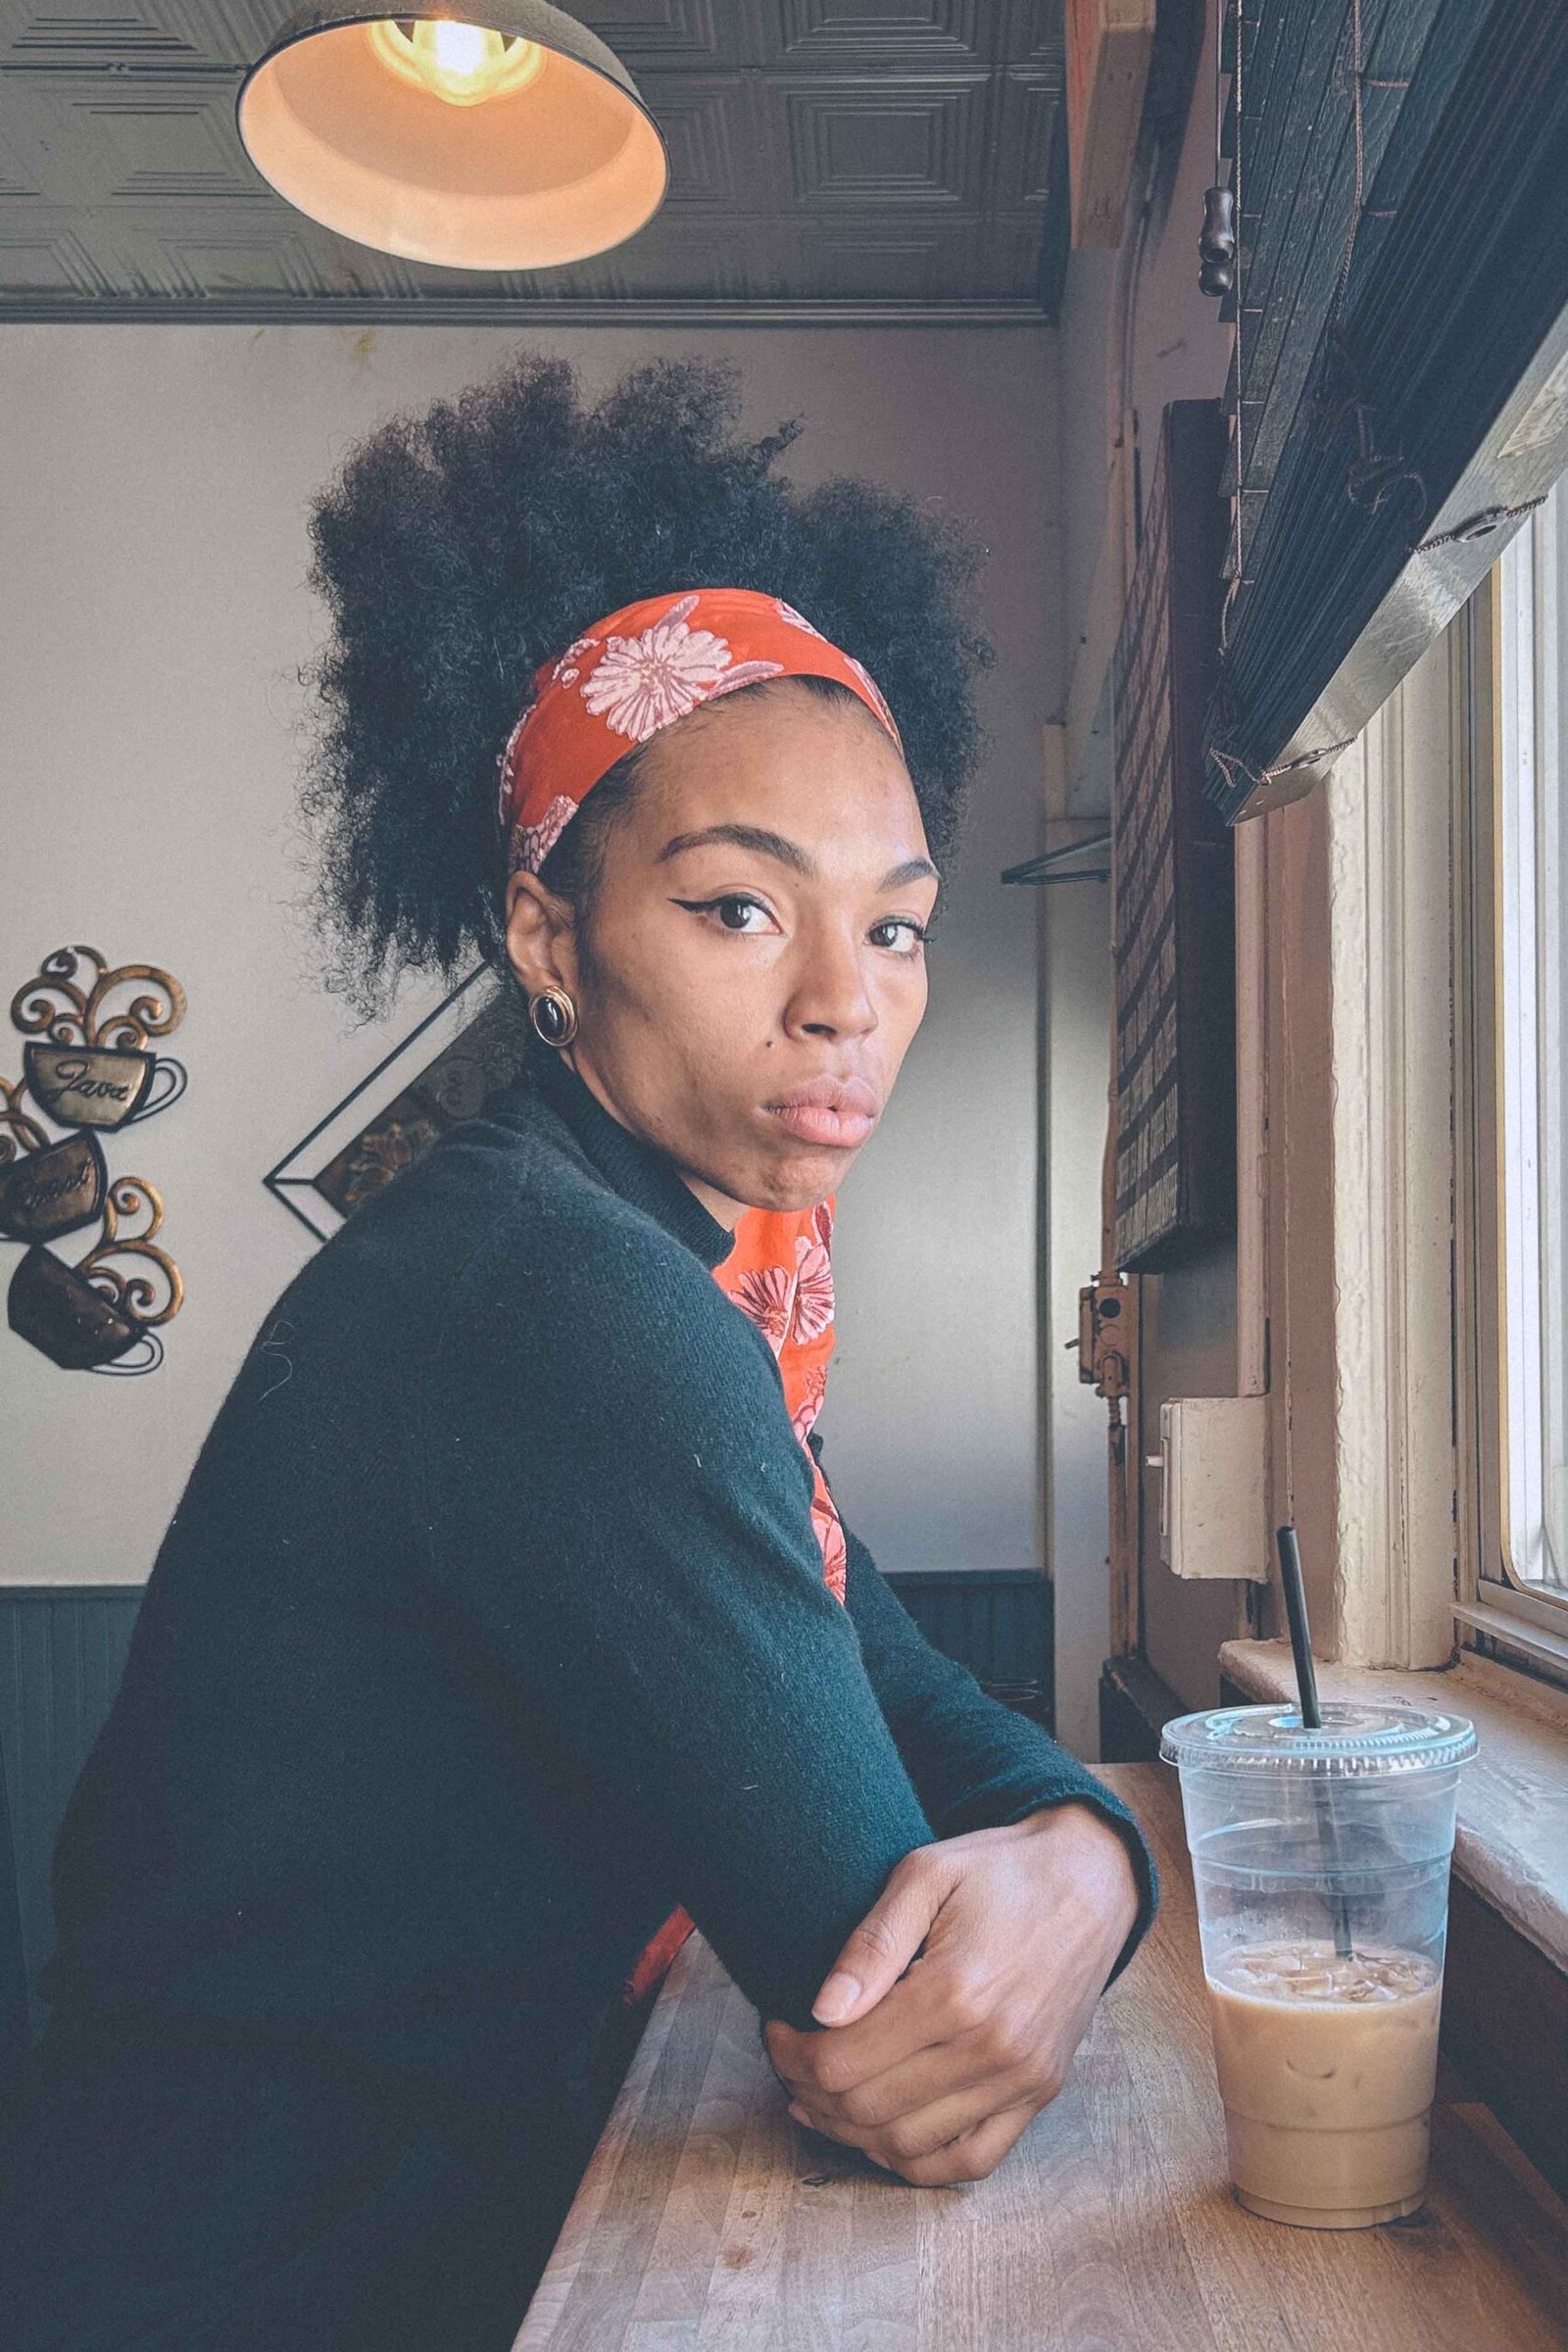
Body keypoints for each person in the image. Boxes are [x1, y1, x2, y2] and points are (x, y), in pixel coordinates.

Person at [0, 353, 1156, 2351]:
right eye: (737, 910)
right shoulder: (561, 1304)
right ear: (551, 941)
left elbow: (885, 1672)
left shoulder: (652, 1276)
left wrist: (1088, 1858)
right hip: (250, 2274)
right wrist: (1056, 1878)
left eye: (893, 927)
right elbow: (879, 2009)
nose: (845, 1002)